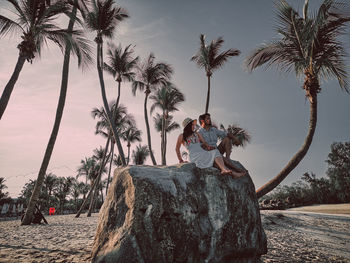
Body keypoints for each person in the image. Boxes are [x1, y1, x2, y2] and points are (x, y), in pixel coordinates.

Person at [176, 117, 243, 177]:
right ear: (188, 126)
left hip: (203, 153)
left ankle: (224, 170)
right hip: (194, 157)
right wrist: (180, 160)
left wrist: (209, 147)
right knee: (215, 158)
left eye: (194, 124)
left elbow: (205, 143)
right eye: (192, 125)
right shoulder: (181, 136)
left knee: (215, 152)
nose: (194, 126)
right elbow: (177, 149)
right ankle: (233, 172)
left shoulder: (197, 134)